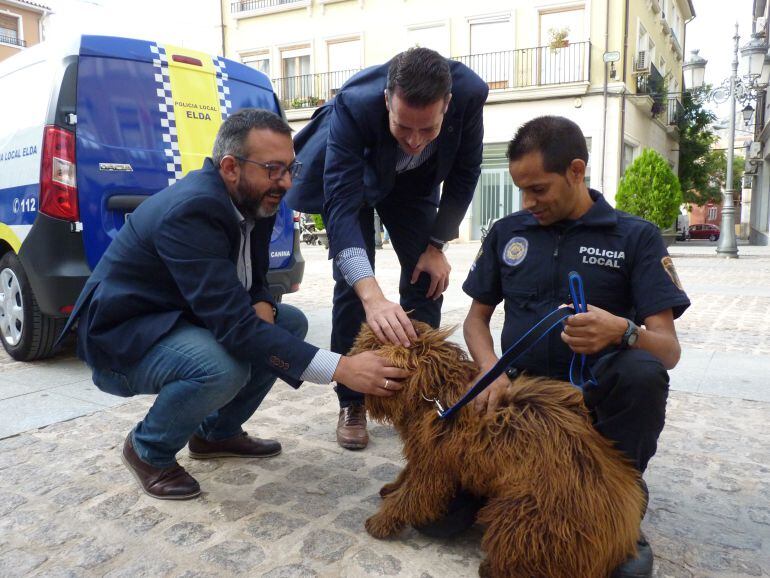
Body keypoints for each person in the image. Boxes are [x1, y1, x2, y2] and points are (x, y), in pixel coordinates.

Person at [60, 109, 407, 500]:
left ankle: (215, 434)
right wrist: (342, 368)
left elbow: (254, 280)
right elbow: (235, 329)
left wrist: (261, 301)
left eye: (291, 168)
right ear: (229, 167)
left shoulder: (251, 200)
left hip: (176, 318)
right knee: (221, 366)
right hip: (121, 338)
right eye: (274, 169)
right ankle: (148, 449)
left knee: (287, 323)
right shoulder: (193, 211)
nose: (287, 182)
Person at [458, 116, 691, 576]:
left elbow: (668, 351)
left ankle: (614, 506)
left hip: (594, 403)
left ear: (576, 171)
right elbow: (475, 320)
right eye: (521, 190)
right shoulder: (508, 232)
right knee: (445, 518)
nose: (528, 202)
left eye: (539, 189)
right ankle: (525, 492)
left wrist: (622, 331)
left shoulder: (634, 236)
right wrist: (490, 368)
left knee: (643, 373)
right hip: (521, 403)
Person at [286, 47, 488, 450]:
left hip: (414, 189)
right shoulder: (353, 104)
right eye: (403, 128)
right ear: (386, 101)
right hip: (358, 182)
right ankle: (353, 399)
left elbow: (465, 174)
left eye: (427, 130)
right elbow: (341, 209)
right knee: (352, 286)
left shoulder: (469, 95)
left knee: (427, 280)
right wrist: (372, 295)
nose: (414, 141)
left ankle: (420, 392)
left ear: (447, 105)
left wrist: (436, 244)